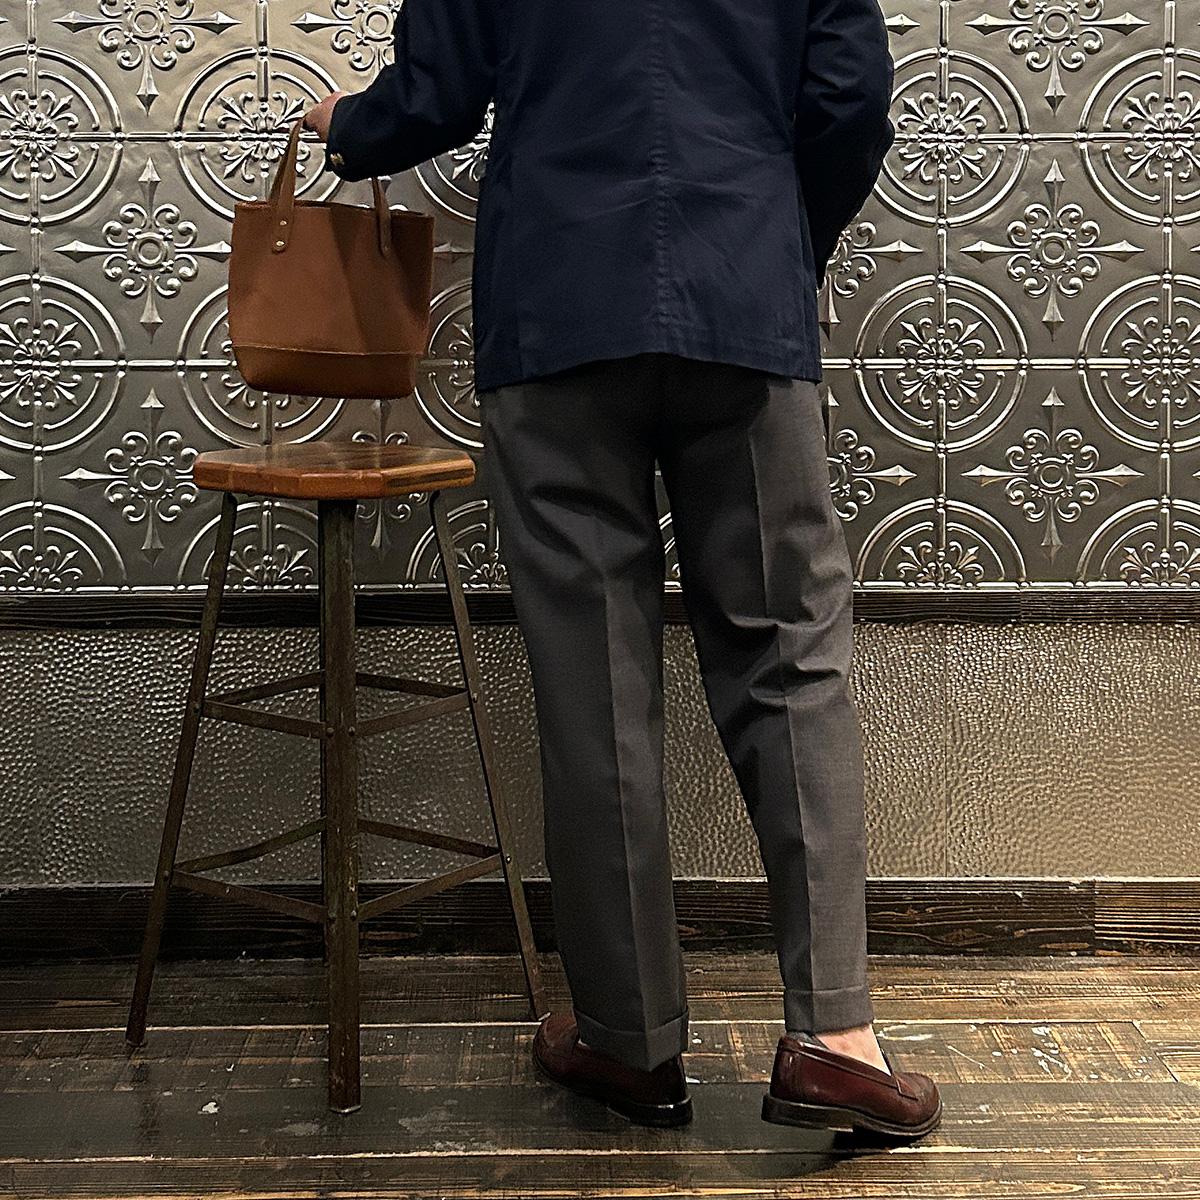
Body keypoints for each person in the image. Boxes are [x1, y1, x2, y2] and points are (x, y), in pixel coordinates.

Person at [304, 0, 942, 1139]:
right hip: (743, 296)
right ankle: (838, 1039)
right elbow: (850, 102)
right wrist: (774, 233)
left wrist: (347, 125)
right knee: (790, 661)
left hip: (558, 304)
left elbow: (435, 93)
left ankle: (627, 1042)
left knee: (593, 680)